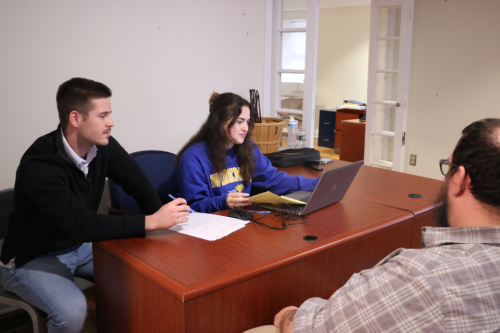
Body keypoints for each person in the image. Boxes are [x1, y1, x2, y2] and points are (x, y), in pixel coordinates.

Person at [247, 118, 500, 333]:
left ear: (461, 180)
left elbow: (310, 327)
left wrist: (289, 314)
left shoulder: (422, 279)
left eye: (448, 167)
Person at [0, 78, 191, 333]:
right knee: (72, 313)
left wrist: (162, 223)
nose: (110, 122)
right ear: (76, 118)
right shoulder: (40, 164)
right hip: (32, 257)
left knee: (146, 268)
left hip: (77, 245)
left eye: (109, 114)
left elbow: (139, 185)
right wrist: (152, 222)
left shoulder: (103, 147)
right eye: (103, 116)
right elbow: (82, 224)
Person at [176, 92, 319, 213]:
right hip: (212, 226)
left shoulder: (247, 147)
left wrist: (316, 184)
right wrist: (223, 202)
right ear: (219, 122)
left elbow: (274, 180)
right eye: (239, 122)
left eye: (247, 122)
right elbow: (193, 206)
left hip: (240, 219)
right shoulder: (194, 157)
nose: (246, 128)